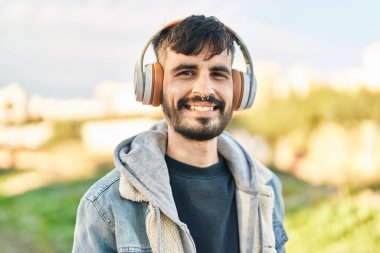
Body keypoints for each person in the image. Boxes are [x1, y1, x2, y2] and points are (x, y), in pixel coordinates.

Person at [72, 15, 288, 253]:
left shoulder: (266, 188)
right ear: (154, 86)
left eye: (218, 74)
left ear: (238, 90)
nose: (204, 89)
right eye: (186, 72)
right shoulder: (106, 204)